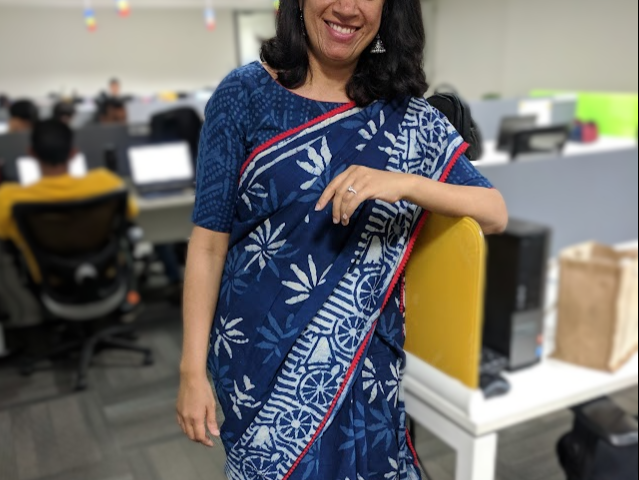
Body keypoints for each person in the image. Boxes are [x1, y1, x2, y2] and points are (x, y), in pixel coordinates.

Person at [177, 0, 508, 478]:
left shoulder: (408, 116)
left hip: (365, 361)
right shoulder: (244, 95)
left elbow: (493, 212)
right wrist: (190, 370)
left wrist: (405, 183)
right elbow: (208, 243)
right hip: (257, 360)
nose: (347, 7)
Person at [0, 120, 138, 284]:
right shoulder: (107, 182)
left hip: (51, 282)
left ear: (30, 153)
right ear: (74, 153)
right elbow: (131, 211)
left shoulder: (10, 197)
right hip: (106, 273)